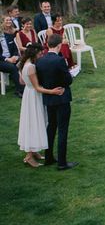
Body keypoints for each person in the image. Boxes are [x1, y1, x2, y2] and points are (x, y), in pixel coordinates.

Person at [17, 43, 65, 168]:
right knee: (34, 123)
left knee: (33, 122)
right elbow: (38, 88)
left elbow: (22, 81)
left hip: (28, 93)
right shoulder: (31, 66)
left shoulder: (23, 64)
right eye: (39, 53)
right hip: (34, 96)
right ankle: (29, 156)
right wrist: (53, 91)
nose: (41, 56)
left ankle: (34, 152)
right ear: (34, 53)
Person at [37, 34, 77, 170]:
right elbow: (68, 80)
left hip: (49, 98)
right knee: (62, 129)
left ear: (48, 45)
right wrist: (69, 74)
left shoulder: (40, 60)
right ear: (59, 45)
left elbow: (40, 80)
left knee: (51, 127)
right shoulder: (60, 60)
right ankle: (62, 162)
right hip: (61, 98)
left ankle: (48, 157)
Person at [1, 17, 24, 97]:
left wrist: (15, 56)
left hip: (11, 58)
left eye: (10, 20)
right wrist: (7, 59)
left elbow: (14, 48)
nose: (8, 21)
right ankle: (20, 90)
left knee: (24, 61)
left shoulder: (9, 34)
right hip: (2, 60)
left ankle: (27, 85)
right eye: (6, 20)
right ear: (2, 22)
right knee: (12, 67)